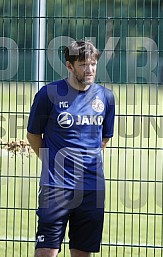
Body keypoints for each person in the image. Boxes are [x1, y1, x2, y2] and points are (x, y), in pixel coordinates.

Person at [27, 40, 115, 257]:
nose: (90, 69)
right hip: (55, 187)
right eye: (84, 64)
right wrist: (53, 162)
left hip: (92, 189)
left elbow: (103, 139)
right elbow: (33, 135)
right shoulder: (49, 94)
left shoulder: (106, 97)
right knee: (46, 250)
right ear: (69, 65)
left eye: (93, 64)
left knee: (83, 251)